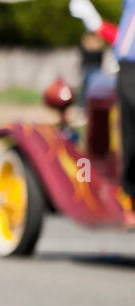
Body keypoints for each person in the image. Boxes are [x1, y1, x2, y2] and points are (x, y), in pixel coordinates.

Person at [70, 0, 135, 216]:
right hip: (126, 69)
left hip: (130, 70)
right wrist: (96, 23)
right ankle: (129, 196)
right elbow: (123, 39)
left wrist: (95, 22)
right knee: (128, 137)